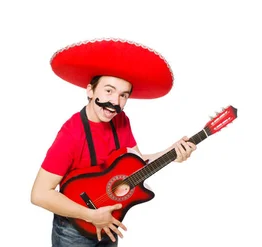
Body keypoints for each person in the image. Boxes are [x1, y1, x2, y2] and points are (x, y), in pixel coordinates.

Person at [30, 38, 197, 247]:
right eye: (108, 91)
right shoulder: (71, 134)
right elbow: (39, 194)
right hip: (73, 231)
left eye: (123, 95)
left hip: (109, 221)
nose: (115, 102)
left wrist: (172, 153)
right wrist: (90, 215)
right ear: (90, 91)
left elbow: (135, 164)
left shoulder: (120, 120)